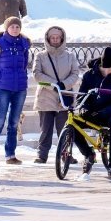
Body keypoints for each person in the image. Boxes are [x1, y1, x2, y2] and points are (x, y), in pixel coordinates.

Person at [72, 47, 111, 179]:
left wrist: (105, 111)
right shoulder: (89, 76)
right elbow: (82, 96)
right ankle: (88, 154)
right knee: (72, 123)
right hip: (92, 112)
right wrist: (84, 108)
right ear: (110, 65)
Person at [0, 16, 31, 166]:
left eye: (17, 27)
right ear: (6, 28)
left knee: (14, 122)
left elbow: (24, 65)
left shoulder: (23, 44)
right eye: (12, 27)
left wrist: (22, 79)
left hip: (20, 88)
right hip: (2, 88)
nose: (15, 29)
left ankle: (10, 155)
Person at [30, 26, 79, 164]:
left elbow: (75, 73)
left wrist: (64, 85)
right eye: (53, 37)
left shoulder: (70, 56)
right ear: (48, 39)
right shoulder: (40, 56)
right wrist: (55, 85)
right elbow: (37, 74)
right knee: (45, 129)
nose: (55, 40)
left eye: (58, 37)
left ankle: (66, 155)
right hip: (46, 97)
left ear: (62, 38)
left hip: (65, 96)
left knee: (64, 129)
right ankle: (42, 155)